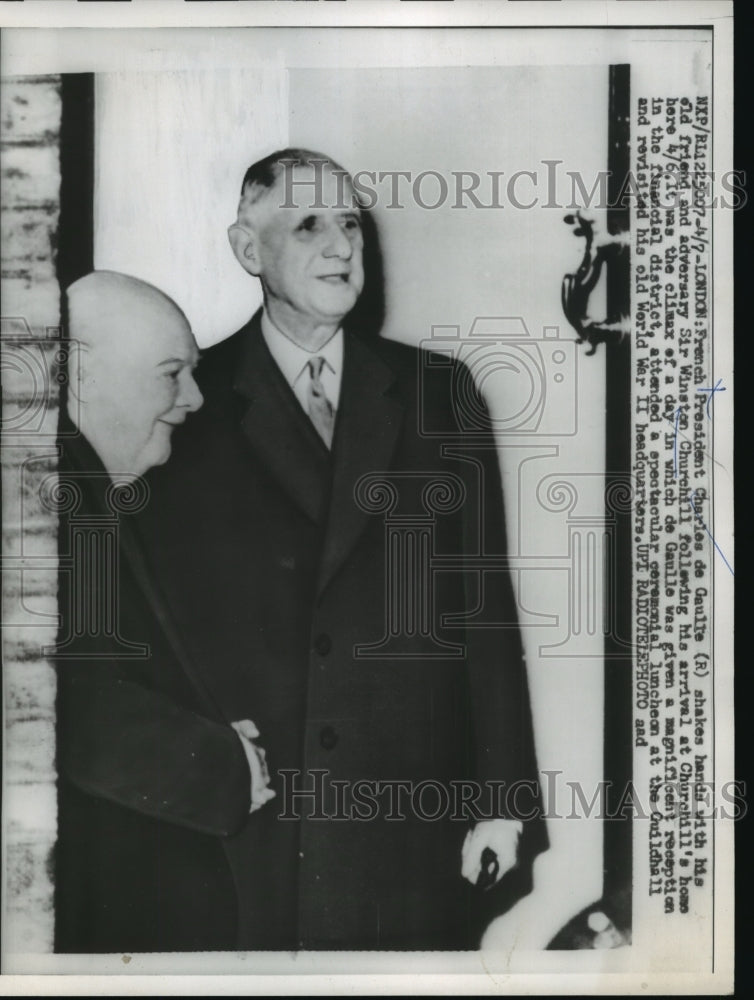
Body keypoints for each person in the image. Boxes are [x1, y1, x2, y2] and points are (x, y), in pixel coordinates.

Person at [133, 148, 548, 951]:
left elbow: (483, 613)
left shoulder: (441, 395)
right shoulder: (188, 401)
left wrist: (503, 800)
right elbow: (152, 628)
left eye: (351, 223)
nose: (341, 246)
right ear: (248, 249)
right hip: (249, 824)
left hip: (407, 826)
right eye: (309, 224)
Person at [53, 272, 274, 953]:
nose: (195, 399)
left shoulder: (88, 491)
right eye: (171, 374)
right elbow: (58, 710)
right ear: (80, 379)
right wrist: (223, 761)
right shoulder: (52, 503)